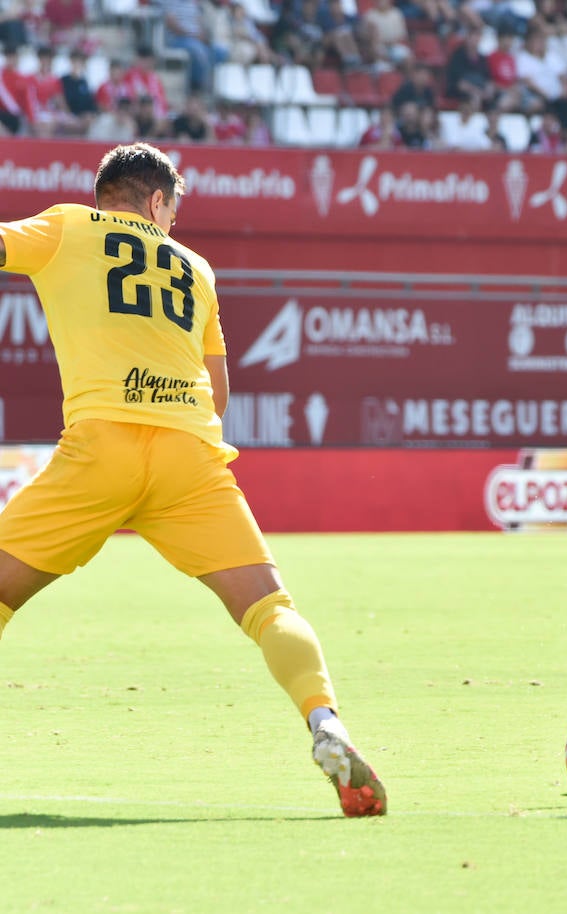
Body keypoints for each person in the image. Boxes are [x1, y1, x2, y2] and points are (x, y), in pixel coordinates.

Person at [0, 143, 386, 818]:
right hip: (189, 455)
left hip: (101, 447)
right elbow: (220, 392)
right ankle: (326, 723)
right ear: (156, 202)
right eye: (173, 208)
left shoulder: (66, 227)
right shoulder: (196, 267)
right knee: (270, 609)